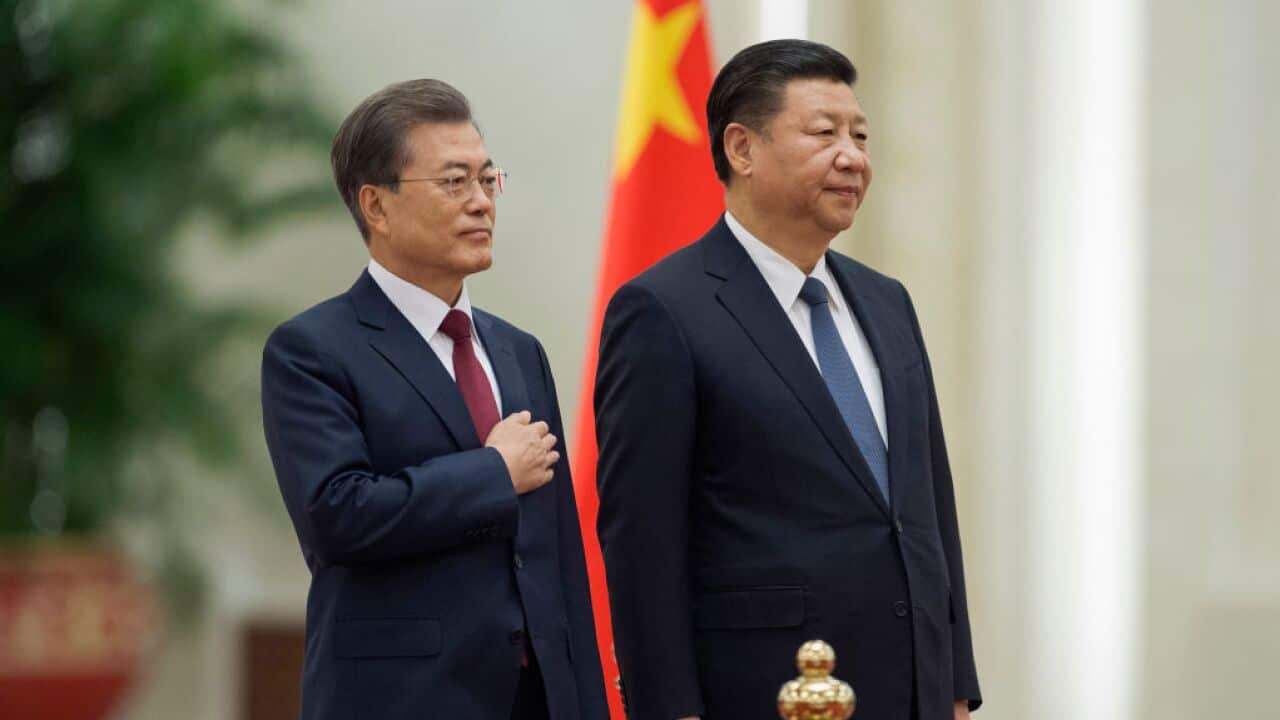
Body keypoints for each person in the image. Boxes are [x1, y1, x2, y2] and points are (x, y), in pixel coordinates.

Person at [594, 40, 981, 720]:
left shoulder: (886, 300)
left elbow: (929, 504)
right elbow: (642, 540)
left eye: (860, 135)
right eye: (824, 132)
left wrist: (955, 683)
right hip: (760, 688)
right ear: (742, 148)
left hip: (909, 687)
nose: (853, 156)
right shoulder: (664, 310)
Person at [261, 79, 608, 720]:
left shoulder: (517, 350)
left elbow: (558, 554)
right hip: (402, 699)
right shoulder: (311, 350)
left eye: (487, 179)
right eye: (454, 183)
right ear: (377, 206)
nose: (481, 202)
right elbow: (340, 516)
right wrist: (493, 472)